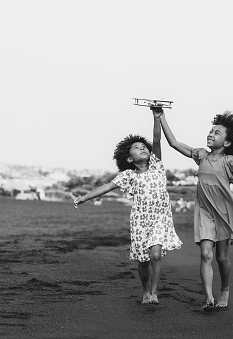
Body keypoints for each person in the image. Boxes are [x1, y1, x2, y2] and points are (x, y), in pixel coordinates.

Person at [156, 109, 233, 310]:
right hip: (205, 212)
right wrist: (160, 117)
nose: (211, 134)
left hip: (223, 212)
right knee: (206, 255)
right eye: (211, 131)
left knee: (221, 258)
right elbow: (174, 143)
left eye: (217, 132)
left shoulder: (229, 160)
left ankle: (224, 289)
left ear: (227, 142)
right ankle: (209, 298)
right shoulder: (200, 155)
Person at [73, 111, 182, 305]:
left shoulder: (156, 165)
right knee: (143, 260)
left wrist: (156, 118)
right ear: (129, 159)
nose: (142, 148)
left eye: (143, 146)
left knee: (156, 254)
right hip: (140, 221)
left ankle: (155, 293)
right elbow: (106, 187)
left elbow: (156, 139)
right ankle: (146, 290)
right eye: (136, 148)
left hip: (159, 218)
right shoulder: (128, 175)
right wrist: (85, 197)